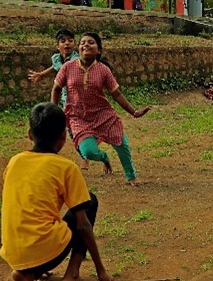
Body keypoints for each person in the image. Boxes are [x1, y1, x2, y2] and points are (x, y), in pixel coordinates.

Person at [0, 102, 128, 281]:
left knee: (41, 223)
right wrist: (101, 271)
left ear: (30, 134)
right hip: (45, 252)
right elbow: (83, 225)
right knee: (89, 202)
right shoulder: (66, 168)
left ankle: (27, 274)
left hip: (13, 253)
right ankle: (72, 276)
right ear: (63, 137)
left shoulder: (14, 161)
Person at [51, 32, 150, 185]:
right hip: (78, 117)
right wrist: (53, 110)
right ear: (79, 48)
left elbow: (116, 93)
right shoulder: (68, 67)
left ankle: (131, 176)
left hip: (103, 114)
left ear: (99, 50)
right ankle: (104, 158)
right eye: (83, 42)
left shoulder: (103, 70)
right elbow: (56, 88)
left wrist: (134, 112)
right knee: (88, 152)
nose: (86, 45)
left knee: (121, 144)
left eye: (91, 42)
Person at [27, 29, 88, 169]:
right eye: (63, 41)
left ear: (74, 44)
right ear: (57, 46)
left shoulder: (76, 59)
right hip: (66, 99)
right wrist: (41, 74)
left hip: (79, 98)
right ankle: (84, 154)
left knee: (77, 128)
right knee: (71, 129)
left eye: (70, 41)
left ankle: (87, 154)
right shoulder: (56, 58)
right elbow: (55, 68)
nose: (67, 43)